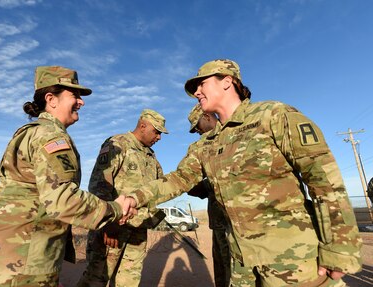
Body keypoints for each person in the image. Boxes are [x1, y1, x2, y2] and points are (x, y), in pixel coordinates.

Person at [124, 59, 362, 286]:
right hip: (241, 265)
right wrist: (134, 197)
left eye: (201, 84)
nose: (197, 92)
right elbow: (177, 180)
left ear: (227, 81)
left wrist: (339, 247)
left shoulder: (273, 116)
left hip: (292, 261)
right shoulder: (206, 144)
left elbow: (323, 180)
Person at [0, 66, 136, 287]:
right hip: (23, 264)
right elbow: (62, 199)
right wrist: (116, 209)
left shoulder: (30, 132)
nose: (81, 102)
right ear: (51, 99)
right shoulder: (51, 136)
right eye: (74, 95)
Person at [76, 109, 168, 287]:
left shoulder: (150, 156)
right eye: (156, 131)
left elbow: (158, 187)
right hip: (113, 228)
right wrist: (108, 223)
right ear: (143, 126)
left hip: (138, 230)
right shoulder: (117, 144)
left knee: (129, 280)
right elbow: (99, 185)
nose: (159, 137)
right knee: (97, 278)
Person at [187, 104, 231, 287]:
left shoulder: (234, 135)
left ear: (206, 116)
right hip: (218, 222)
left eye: (197, 125)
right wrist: (205, 186)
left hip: (239, 222)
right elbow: (188, 182)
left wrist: (208, 184)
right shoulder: (200, 146)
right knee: (222, 269)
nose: (197, 130)